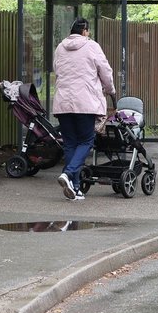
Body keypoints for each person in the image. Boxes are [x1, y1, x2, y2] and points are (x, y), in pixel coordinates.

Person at [50, 17, 114, 200]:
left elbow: (57, 69)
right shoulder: (92, 46)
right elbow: (105, 71)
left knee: (70, 143)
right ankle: (68, 173)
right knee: (86, 141)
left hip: (63, 103)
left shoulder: (60, 47)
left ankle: (76, 187)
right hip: (85, 103)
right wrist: (110, 90)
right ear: (85, 31)